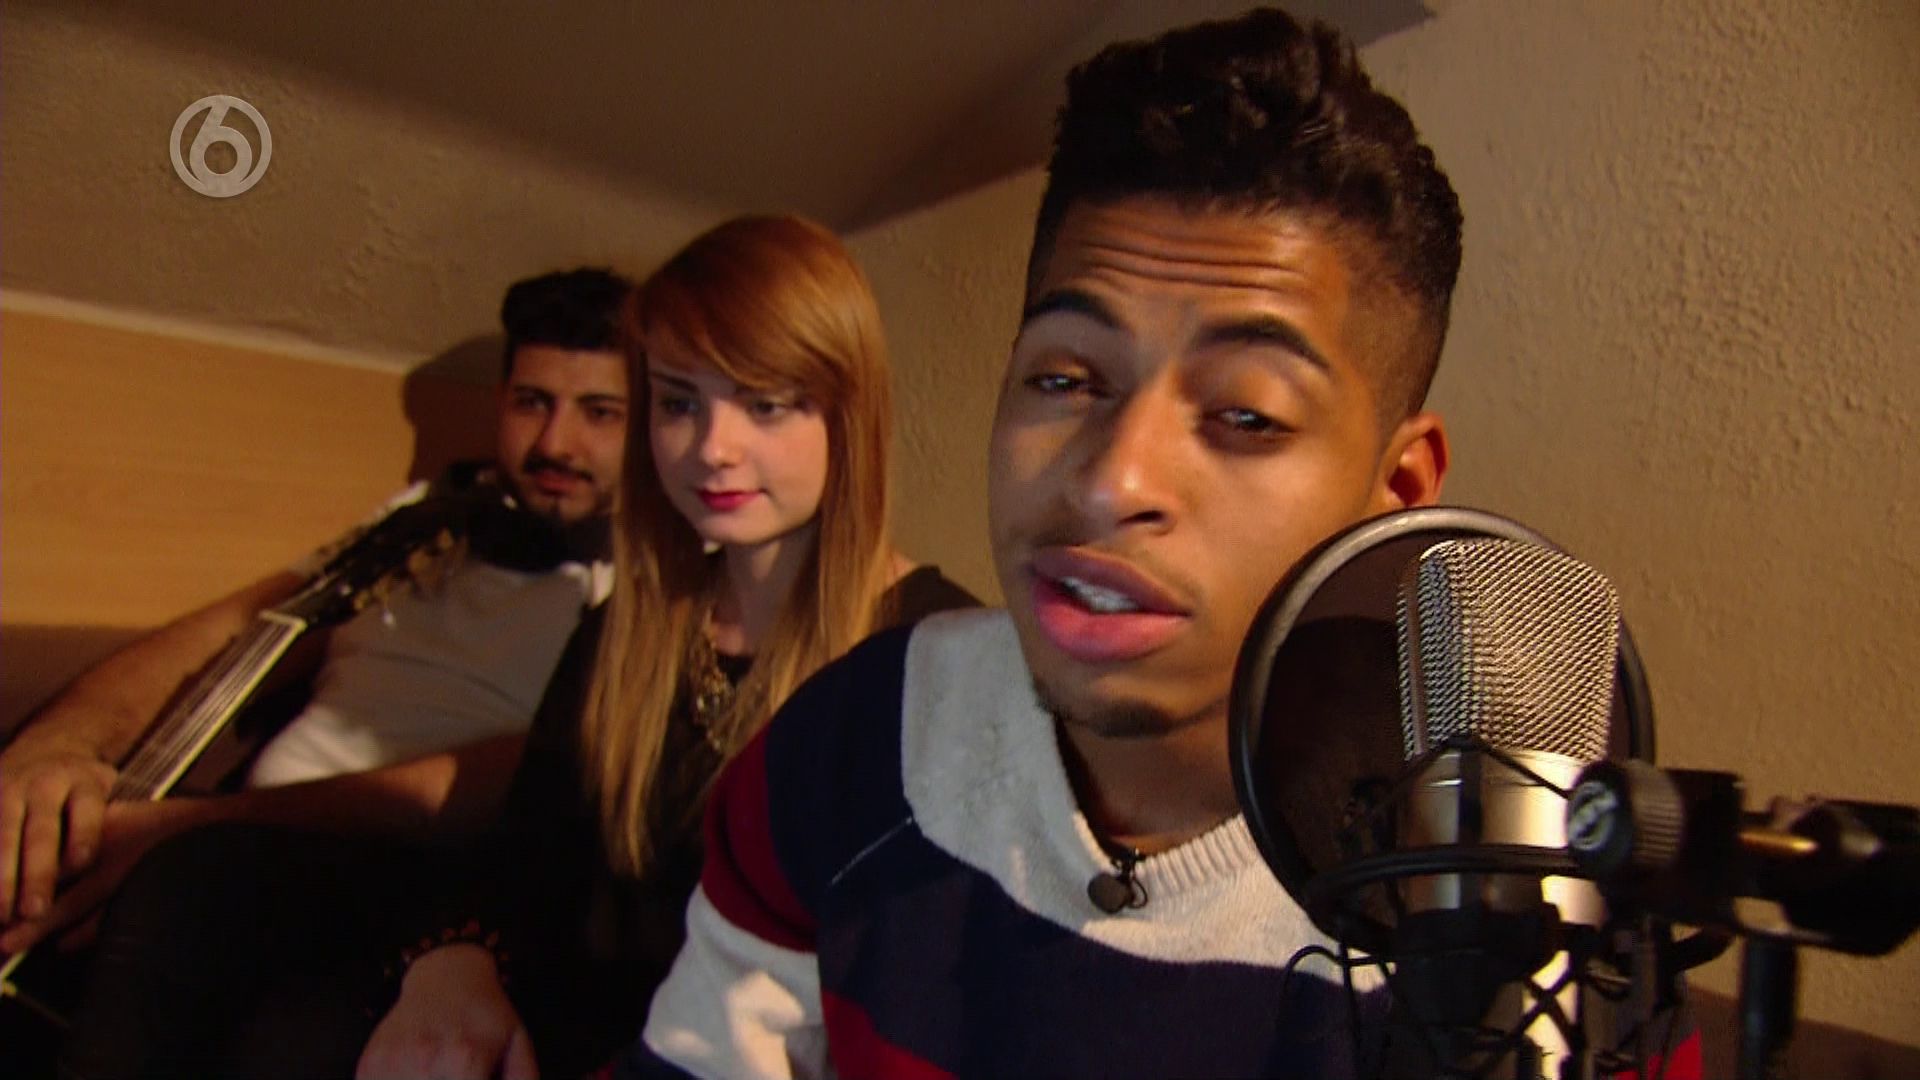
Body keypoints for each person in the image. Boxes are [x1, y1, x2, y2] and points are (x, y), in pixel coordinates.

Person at [629, 10, 1699, 1079]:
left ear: (1399, 491)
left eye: (1244, 415)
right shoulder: (855, 743)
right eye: (1064, 378)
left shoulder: (1516, 920)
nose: (1111, 481)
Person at [52, 214, 977, 1080]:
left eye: (765, 406)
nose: (711, 449)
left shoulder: (938, 655)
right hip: (567, 1005)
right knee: (279, 999)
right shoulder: (631, 628)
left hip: (723, 1048)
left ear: (847, 413)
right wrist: (454, 961)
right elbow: (528, 858)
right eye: (679, 402)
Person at [0, 267, 631, 949]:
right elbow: (226, 633)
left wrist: (198, 827)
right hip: (225, 849)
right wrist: (56, 747)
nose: (554, 443)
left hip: (405, 891)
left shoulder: (649, 582)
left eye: (600, 413)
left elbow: (537, 774)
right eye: (532, 403)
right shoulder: (425, 516)